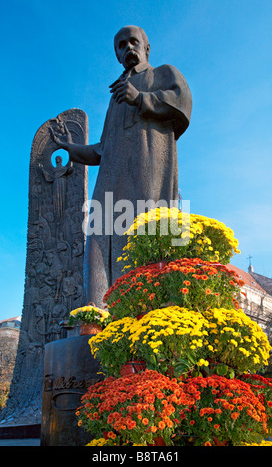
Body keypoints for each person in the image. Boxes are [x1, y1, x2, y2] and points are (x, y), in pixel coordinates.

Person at [50, 25, 192, 307]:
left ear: (146, 47)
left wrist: (140, 97)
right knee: (98, 249)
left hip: (148, 183)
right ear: (116, 54)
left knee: (151, 248)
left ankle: (149, 320)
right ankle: (97, 322)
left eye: (133, 42)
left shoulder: (163, 73)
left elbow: (183, 103)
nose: (128, 47)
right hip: (110, 188)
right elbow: (104, 148)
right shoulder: (116, 98)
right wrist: (71, 149)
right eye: (121, 45)